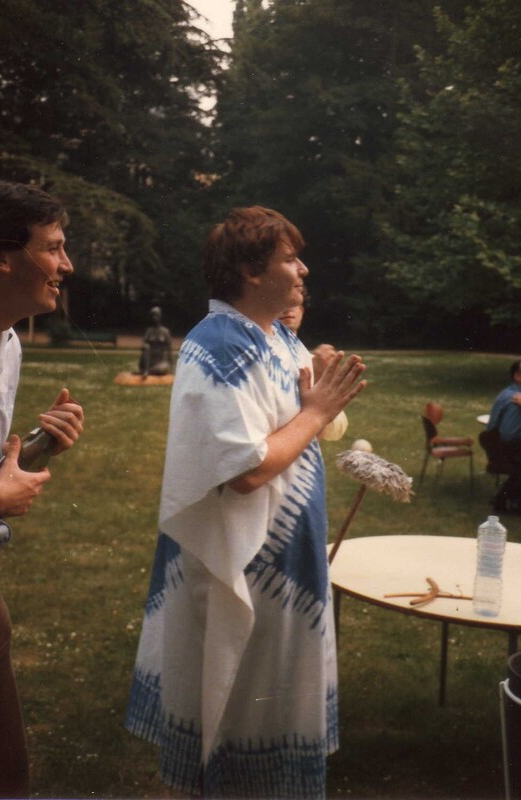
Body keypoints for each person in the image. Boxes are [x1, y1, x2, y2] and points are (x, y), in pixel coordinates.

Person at [126, 206, 367, 799]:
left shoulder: (277, 338)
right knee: (235, 707)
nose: (304, 269)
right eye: (291, 258)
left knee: (274, 700)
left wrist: (319, 403)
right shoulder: (217, 346)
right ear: (251, 271)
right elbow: (247, 469)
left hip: (283, 561)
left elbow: (307, 428)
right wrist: (316, 413)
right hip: (241, 564)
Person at [0, 176, 84, 798]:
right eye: (53, 248)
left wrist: (42, 446)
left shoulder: (8, 344)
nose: (66, 266)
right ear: (1, 256)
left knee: (2, 773)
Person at [278, 302, 348, 441]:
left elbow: (336, 430)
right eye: (281, 302)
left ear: (301, 311)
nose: (287, 309)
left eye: (293, 304)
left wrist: (326, 384)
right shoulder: (266, 361)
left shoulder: (314, 360)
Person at [487, 359, 521, 451]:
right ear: (518, 376)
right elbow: (509, 436)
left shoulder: (506, 394)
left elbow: (491, 427)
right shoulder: (511, 397)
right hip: (512, 450)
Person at [137, 306, 173, 376]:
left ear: (160, 317)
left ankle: (147, 371)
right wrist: (145, 346)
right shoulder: (149, 331)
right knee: (146, 346)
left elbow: (169, 350)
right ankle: (146, 370)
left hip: (160, 362)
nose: (154, 317)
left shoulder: (165, 332)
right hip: (148, 362)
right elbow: (143, 345)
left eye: (156, 315)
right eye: (153, 315)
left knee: (163, 368)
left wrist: (172, 367)